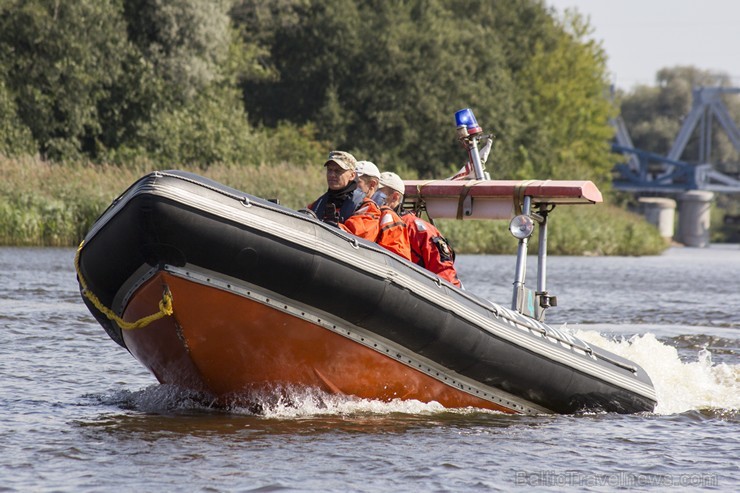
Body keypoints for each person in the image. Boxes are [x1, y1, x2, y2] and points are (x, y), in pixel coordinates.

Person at [377, 171, 462, 288]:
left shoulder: (417, 229)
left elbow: (444, 272)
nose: (372, 196)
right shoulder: (371, 221)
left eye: (378, 192)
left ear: (395, 197)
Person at [308, 151, 365, 226]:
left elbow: (362, 232)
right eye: (329, 170)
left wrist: (334, 226)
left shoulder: (365, 206)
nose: (332, 175)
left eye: (338, 171)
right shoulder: (315, 205)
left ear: (352, 175)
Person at [338, 160, 382, 242]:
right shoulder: (343, 200)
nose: (351, 185)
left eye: (356, 182)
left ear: (372, 184)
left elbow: (357, 232)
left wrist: (330, 224)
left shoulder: (370, 208)